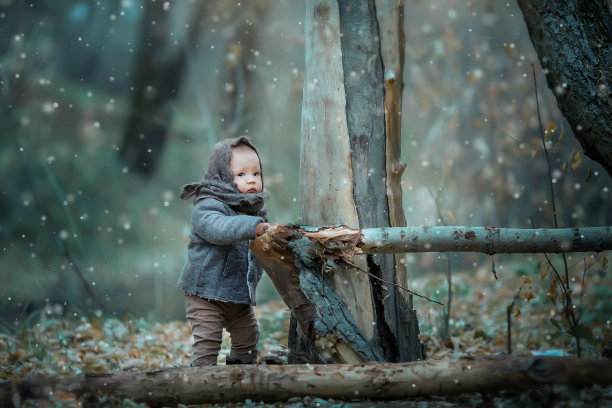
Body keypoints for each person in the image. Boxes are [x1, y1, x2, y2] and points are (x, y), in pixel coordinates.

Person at [178, 136, 271, 366]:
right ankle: (201, 385)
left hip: (238, 295)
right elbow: (220, 230)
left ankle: (239, 379)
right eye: (241, 175)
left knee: (248, 341)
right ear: (221, 176)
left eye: (256, 174)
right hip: (205, 293)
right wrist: (254, 227)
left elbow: (260, 246)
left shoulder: (254, 210)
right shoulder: (208, 204)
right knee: (208, 341)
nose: (251, 180)